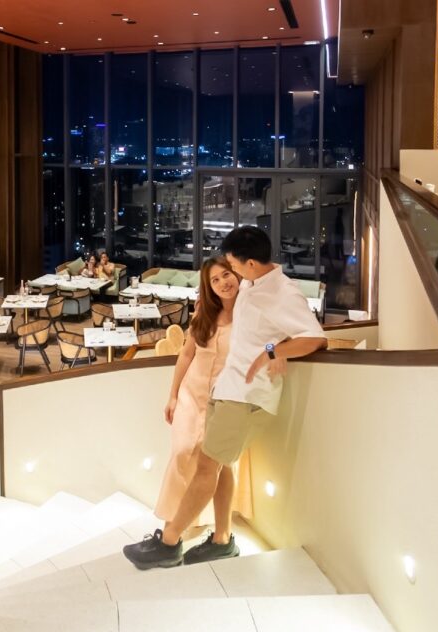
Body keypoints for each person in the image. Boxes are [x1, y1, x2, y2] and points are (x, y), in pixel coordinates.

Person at [124, 227, 327, 569]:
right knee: (218, 466)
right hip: (227, 390)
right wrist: (267, 346)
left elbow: (314, 338)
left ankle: (169, 542)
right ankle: (221, 539)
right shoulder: (253, 283)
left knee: (205, 466)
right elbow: (255, 335)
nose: (229, 274)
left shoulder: (281, 294)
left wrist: (274, 350)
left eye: (232, 266)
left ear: (249, 263)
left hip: (246, 397)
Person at [154, 257, 252, 540]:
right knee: (183, 450)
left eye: (226, 275)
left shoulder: (251, 314)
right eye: (215, 280)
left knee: (217, 463)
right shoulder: (204, 313)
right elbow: (186, 354)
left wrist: (272, 352)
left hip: (224, 400)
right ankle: (174, 518)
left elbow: (271, 341)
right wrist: (172, 395)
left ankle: (212, 528)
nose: (223, 283)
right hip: (191, 393)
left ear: (237, 274)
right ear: (209, 287)